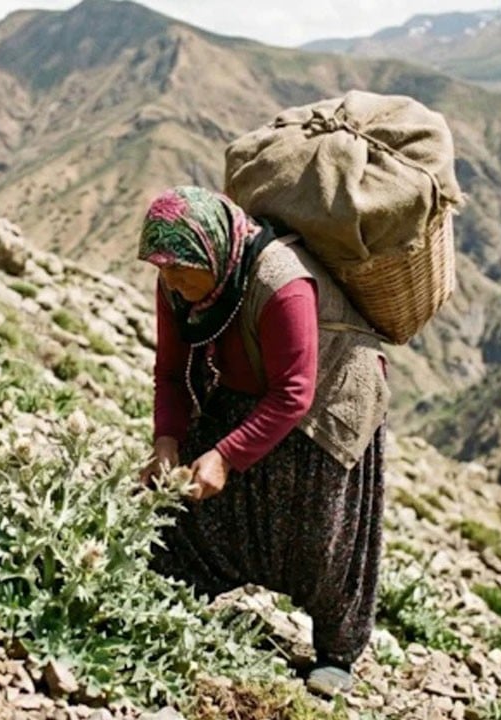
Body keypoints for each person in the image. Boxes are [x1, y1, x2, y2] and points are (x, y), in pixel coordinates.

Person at [137, 185, 391, 698]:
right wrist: (166, 440)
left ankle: (336, 652)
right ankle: (178, 586)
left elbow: (295, 392)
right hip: (249, 382)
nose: (172, 281)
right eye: (162, 269)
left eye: (181, 269)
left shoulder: (282, 284)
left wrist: (226, 456)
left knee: (321, 532)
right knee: (191, 503)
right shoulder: (178, 286)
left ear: (212, 253)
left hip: (330, 399)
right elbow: (171, 373)